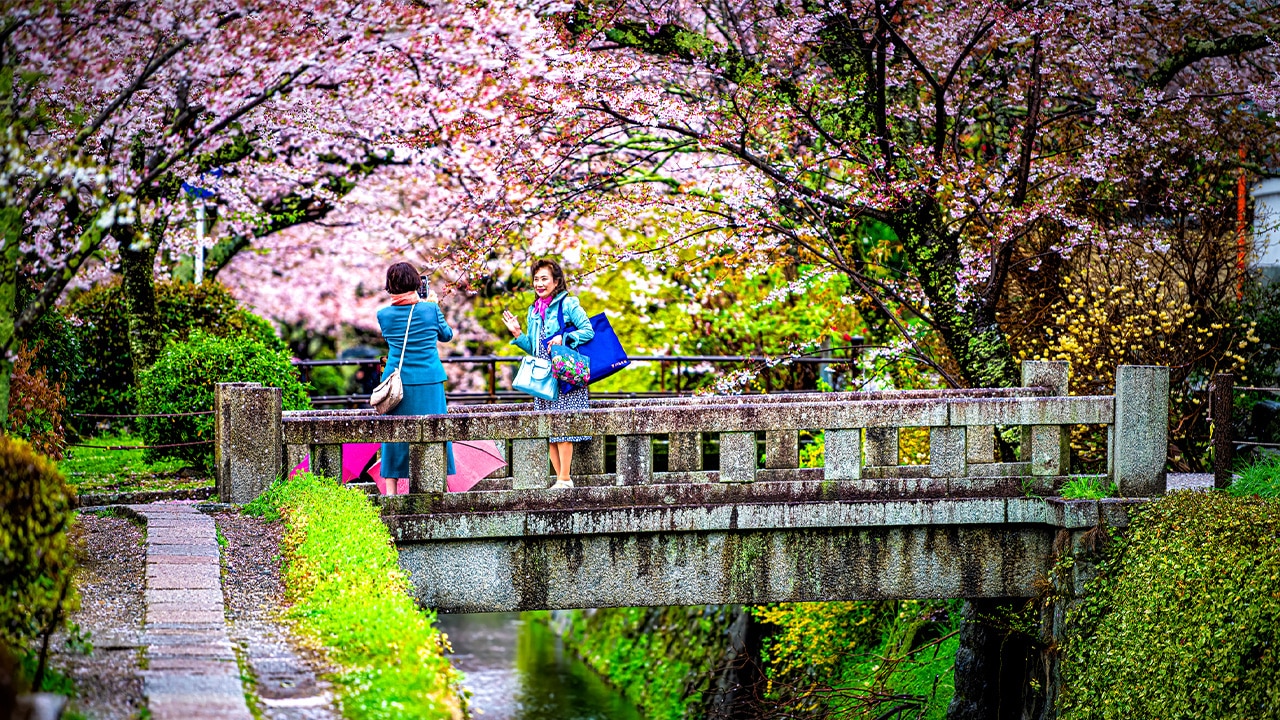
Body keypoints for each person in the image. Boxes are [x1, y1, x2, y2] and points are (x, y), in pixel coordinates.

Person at [503, 258, 595, 488]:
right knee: (550, 429)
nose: (539, 283)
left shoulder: (569, 304)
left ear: (556, 281)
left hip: (564, 373)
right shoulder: (533, 311)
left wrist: (564, 338)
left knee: (563, 427)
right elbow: (534, 350)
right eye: (536, 279)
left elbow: (588, 331)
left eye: (544, 278)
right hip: (543, 376)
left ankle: (565, 478)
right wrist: (517, 334)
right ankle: (560, 478)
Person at [377, 262, 455, 496]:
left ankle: (391, 492)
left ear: (390, 286)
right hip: (429, 381)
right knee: (435, 431)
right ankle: (435, 487)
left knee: (394, 435)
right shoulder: (430, 310)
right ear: (416, 283)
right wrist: (431, 305)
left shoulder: (383, 315)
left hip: (396, 383)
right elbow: (447, 335)